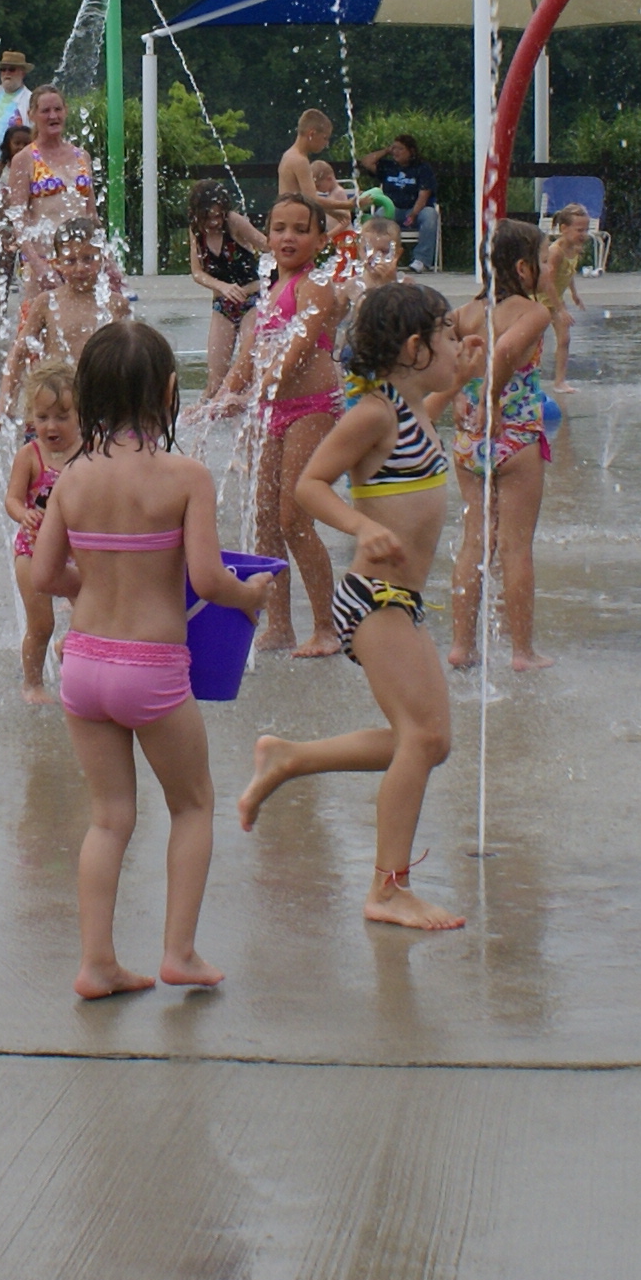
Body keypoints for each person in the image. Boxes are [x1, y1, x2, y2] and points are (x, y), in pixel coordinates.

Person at [27, 319, 277, 999]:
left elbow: (47, 573)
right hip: (153, 669)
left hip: (82, 666)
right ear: (170, 392)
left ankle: (97, 963)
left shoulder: (73, 477)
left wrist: (96, 589)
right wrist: (250, 597)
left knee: (109, 817)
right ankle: (180, 953)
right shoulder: (185, 476)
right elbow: (208, 576)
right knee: (193, 805)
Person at [233, 279, 471, 932]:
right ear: (417, 348)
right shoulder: (376, 414)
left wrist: (479, 358)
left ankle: (290, 759)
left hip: (398, 601)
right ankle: (388, 890)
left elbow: (467, 368)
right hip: (374, 598)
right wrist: (361, 528)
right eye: (447, 336)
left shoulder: (419, 406)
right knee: (423, 738)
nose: (458, 346)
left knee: (426, 740)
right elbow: (311, 485)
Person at [211, 196, 348, 655]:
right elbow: (251, 347)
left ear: (320, 240)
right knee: (266, 519)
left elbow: (298, 350)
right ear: (267, 237)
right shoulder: (273, 285)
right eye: (280, 228)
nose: (288, 237)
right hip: (272, 410)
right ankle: (282, 625)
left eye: (300, 229)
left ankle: (327, 627)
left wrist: (255, 393)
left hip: (311, 407)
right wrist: (226, 393)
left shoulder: (315, 286)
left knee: (295, 518)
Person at [449, 217, 558, 671]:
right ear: (523, 267)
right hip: (513, 437)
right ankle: (521, 652)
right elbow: (505, 353)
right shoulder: (534, 312)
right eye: (546, 260)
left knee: (475, 543)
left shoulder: (464, 314)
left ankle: (461, 647)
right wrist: (493, 400)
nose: (551, 268)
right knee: (515, 547)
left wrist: (459, 393)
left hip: (469, 443)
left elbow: (444, 354)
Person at [5, 360, 83, 703]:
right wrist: (24, 515)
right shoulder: (30, 455)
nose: (51, 426)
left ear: (83, 415)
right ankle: (32, 683)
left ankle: (72, 647)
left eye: (62, 417)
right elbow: (11, 499)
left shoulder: (89, 453)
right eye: (42, 418)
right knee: (41, 626)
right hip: (33, 551)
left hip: (73, 551)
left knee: (93, 613)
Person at [2, 221, 116, 412]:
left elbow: (132, 358)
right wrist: (4, 403)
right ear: (57, 264)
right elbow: (19, 351)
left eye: (88, 259)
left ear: (103, 259)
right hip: (54, 404)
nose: (80, 268)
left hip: (99, 403)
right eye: (71, 261)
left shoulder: (116, 304)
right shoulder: (46, 302)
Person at [183, 182, 267, 380]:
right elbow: (197, 273)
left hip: (252, 301)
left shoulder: (234, 222)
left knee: (251, 376)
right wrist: (223, 287)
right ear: (197, 213)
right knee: (215, 381)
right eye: (209, 217)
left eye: (218, 216)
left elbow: (270, 247)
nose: (215, 222)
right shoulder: (196, 229)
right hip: (222, 305)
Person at [1, 86, 97, 235]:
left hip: (78, 256)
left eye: (58, 109)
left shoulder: (82, 156)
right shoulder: (24, 159)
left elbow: (92, 215)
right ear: (31, 116)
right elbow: (19, 221)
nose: (53, 116)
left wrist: (105, 253)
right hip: (44, 254)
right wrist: (35, 259)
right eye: (45, 111)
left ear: (66, 111)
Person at [372, 136, 440, 271]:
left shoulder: (422, 168)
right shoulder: (388, 166)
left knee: (430, 215)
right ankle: (381, 256)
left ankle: (421, 260)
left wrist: (414, 214)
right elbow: (366, 161)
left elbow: (424, 194)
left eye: (400, 149)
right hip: (392, 209)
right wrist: (386, 151)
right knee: (379, 214)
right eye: (394, 148)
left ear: (411, 151)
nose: (395, 152)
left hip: (415, 209)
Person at [277, 109, 350, 231]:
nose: (326, 144)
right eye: (325, 138)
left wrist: (332, 212)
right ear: (311, 134)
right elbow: (312, 199)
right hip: (294, 221)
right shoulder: (300, 161)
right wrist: (348, 205)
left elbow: (300, 196)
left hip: (284, 218)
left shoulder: (288, 155)